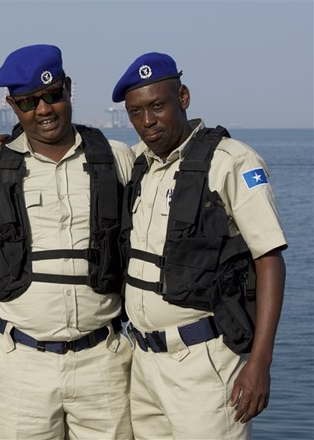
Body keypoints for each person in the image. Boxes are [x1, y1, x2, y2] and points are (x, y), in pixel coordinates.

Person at [113, 52, 287, 439]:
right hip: (142, 364)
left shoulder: (231, 161)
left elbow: (269, 258)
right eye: (135, 112)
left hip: (203, 364)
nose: (147, 121)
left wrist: (259, 364)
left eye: (157, 106)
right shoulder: (140, 163)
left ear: (184, 97)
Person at [0, 44, 134, 439]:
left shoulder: (116, 158)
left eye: (52, 95)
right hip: (21, 366)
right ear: (12, 106)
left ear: (68, 88)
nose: (43, 110)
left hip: (104, 364)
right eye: (28, 102)